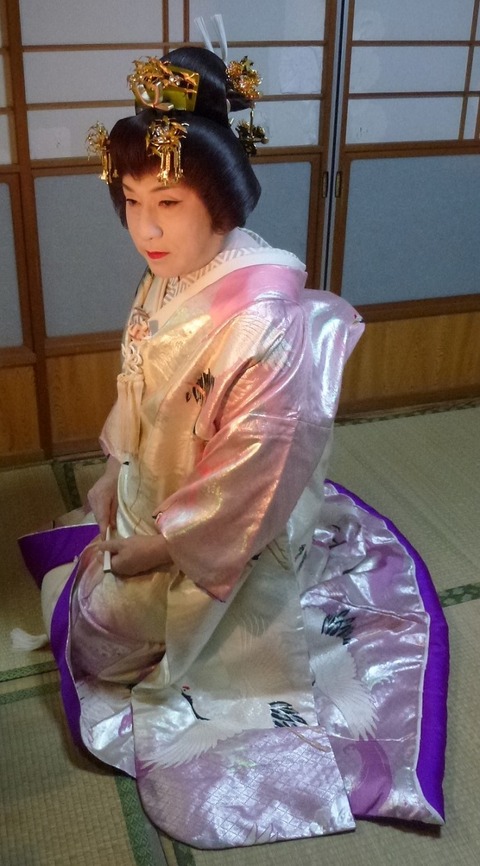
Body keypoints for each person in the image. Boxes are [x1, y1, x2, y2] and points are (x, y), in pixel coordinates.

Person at [18, 46, 449, 849]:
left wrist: (163, 545)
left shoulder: (261, 321)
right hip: (156, 494)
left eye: (169, 202)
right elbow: (139, 383)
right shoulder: (172, 272)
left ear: (218, 200)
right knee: (85, 624)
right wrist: (117, 470)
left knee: (99, 650)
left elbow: (257, 468)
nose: (145, 228)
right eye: (131, 200)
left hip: (222, 535)